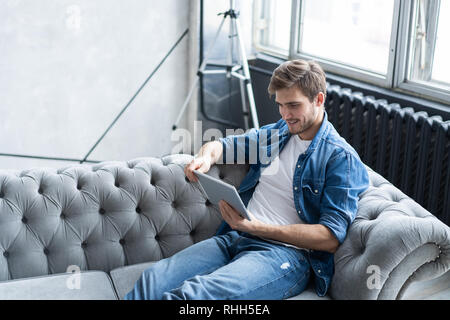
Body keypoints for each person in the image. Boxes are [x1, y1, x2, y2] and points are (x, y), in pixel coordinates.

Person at [124, 59, 369, 300]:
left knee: (193, 296)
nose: (285, 115)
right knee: (152, 280)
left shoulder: (340, 158)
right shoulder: (279, 132)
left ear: (318, 99)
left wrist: (256, 227)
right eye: (281, 105)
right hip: (235, 238)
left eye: (293, 105)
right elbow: (223, 145)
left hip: (284, 255)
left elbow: (329, 238)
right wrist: (205, 157)